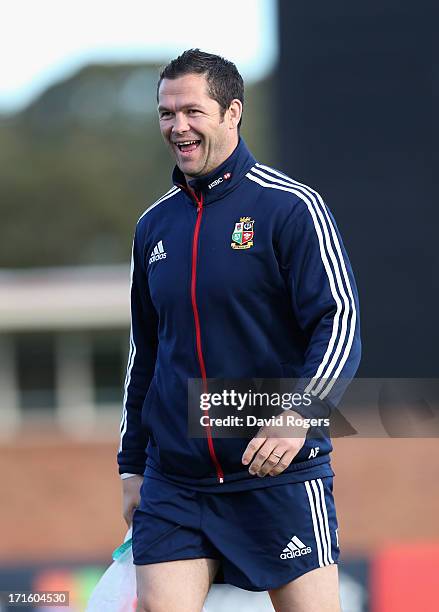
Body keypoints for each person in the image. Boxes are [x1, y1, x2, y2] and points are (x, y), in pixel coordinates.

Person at [118, 49, 361, 612]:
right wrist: (132, 464)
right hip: (175, 479)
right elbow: (145, 352)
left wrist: (300, 412)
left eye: (193, 111)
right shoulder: (153, 226)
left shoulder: (292, 207)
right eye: (166, 113)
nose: (178, 126)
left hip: (274, 474)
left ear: (232, 112)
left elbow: (339, 320)